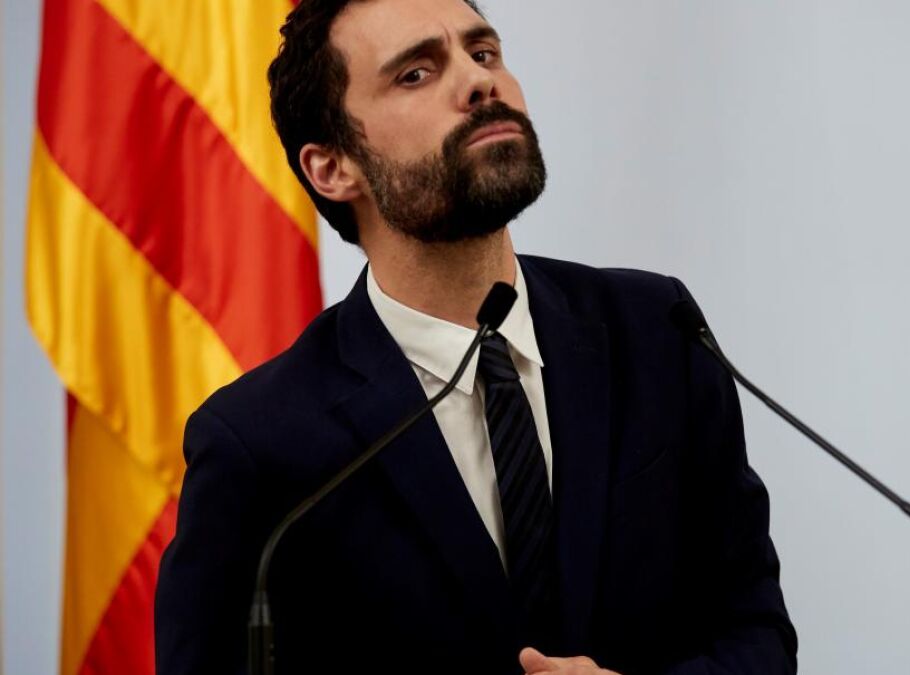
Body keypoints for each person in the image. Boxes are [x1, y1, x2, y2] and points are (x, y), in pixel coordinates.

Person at [154, 0, 797, 673]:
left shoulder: (656, 329)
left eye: (483, 52)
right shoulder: (258, 443)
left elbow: (755, 632)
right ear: (333, 167)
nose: (478, 81)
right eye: (415, 74)